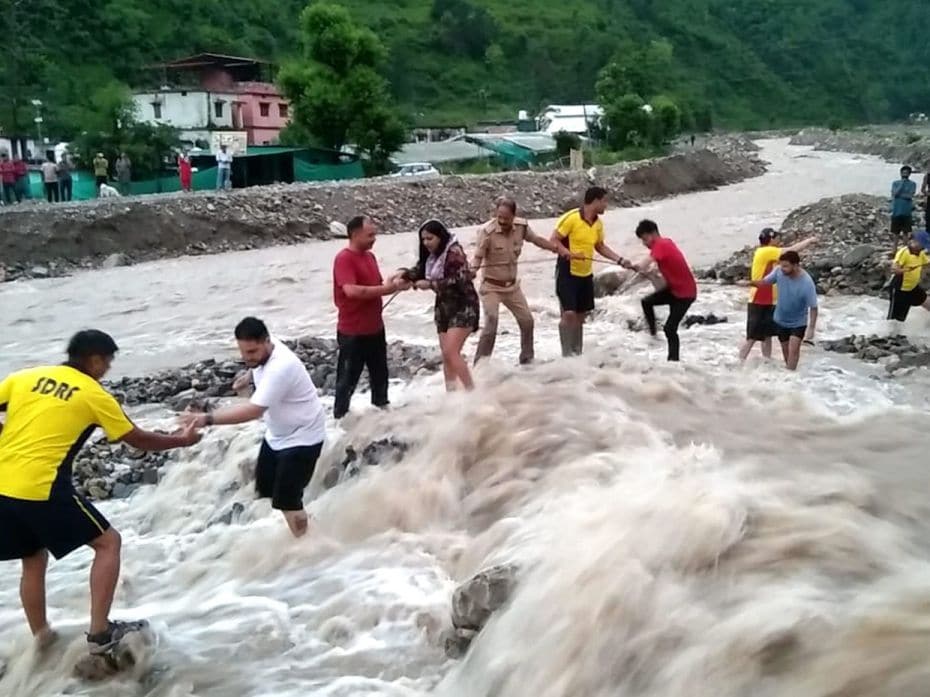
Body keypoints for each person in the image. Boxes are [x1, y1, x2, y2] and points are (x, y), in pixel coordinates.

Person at [0, 330, 201, 654]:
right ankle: (100, 633)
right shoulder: (94, 395)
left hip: (3, 485)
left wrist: (5, 436)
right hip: (44, 486)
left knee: (32, 558)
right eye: (107, 362)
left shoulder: (25, 377)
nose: (107, 369)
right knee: (109, 543)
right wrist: (182, 440)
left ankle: (42, 637)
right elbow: (137, 439)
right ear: (95, 359)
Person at [179, 318, 326, 538]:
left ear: (266, 342)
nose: (247, 358)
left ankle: (309, 543)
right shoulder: (267, 348)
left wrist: (206, 419)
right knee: (267, 488)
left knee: (287, 499)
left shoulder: (281, 367)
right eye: (244, 352)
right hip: (277, 435)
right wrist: (248, 376)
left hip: (303, 437)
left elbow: (253, 411)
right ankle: (306, 529)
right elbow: (259, 368)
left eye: (252, 352)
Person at [471, 197, 572, 365]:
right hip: (491, 287)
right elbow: (477, 257)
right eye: (499, 217)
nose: (502, 221)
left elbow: (537, 240)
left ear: (514, 215)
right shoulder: (486, 232)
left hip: (512, 287)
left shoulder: (522, 227)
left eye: (506, 218)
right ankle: (480, 366)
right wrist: (473, 270)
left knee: (527, 321)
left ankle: (527, 360)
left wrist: (557, 249)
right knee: (491, 323)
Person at [332, 215, 410, 419]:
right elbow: (351, 291)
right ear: (355, 235)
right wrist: (385, 289)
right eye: (370, 235)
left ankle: (382, 419)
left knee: (380, 377)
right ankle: (339, 422)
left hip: (375, 328)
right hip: (352, 332)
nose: (374, 239)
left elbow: (377, 285)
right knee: (347, 381)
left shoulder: (370, 257)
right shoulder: (344, 258)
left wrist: (394, 282)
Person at [402, 220, 480, 391]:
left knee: (452, 353)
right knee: (446, 355)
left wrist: (431, 285)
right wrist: (405, 275)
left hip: (464, 306)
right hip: (444, 308)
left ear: (440, 237)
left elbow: (459, 280)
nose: (426, 243)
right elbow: (420, 269)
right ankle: (451, 395)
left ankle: (472, 393)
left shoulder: (454, 252)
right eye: (423, 240)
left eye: (430, 238)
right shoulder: (431, 254)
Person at [550, 186, 624, 357]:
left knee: (580, 317)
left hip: (585, 274)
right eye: (605, 201)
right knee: (568, 314)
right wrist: (567, 253)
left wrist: (619, 260)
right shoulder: (571, 218)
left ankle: (578, 354)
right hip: (567, 272)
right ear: (596, 201)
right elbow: (553, 240)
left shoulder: (598, 224)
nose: (606, 205)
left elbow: (600, 246)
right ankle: (566, 355)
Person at [622, 219, 698, 362]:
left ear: (653, 234)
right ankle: (653, 334)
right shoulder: (665, 244)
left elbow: (646, 262)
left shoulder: (661, 244)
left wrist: (636, 266)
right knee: (647, 302)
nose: (645, 243)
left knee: (670, 328)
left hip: (685, 294)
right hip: (673, 290)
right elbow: (658, 277)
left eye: (645, 239)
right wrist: (646, 272)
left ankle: (673, 361)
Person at [739, 227, 817, 362]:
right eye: (777, 238)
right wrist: (810, 241)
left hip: (770, 301)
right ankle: (739, 362)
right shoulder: (766, 251)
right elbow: (790, 251)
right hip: (759, 300)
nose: (779, 240)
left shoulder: (767, 253)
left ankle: (767, 362)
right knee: (752, 336)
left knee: (767, 335)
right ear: (771, 239)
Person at [750, 250, 818, 370]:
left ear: (796, 265)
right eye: (781, 265)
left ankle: (791, 378)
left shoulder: (807, 283)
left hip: (798, 322)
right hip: (781, 319)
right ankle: (788, 378)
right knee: (786, 353)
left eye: (786, 266)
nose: (782, 268)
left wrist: (811, 328)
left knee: (794, 351)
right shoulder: (778, 272)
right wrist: (749, 283)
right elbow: (764, 282)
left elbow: (813, 307)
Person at [887, 234, 930, 323]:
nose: (924, 248)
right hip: (900, 289)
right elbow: (894, 269)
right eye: (923, 245)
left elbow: (927, 263)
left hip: (912, 287)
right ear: (915, 242)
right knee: (895, 319)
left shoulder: (920, 253)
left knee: (927, 303)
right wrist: (906, 269)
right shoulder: (904, 252)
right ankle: (888, 335)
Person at [891, 165, 917, 239]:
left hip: (906, 212)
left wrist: (900, 195)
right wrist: (902, 184)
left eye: (906, 173)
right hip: (896, 212)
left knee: (906, 233)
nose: (905, 175)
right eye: (903, 173)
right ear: (901, 173)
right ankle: (894, 250)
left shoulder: (912, 184)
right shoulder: (895, 183)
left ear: (909, 174)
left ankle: (905, 249)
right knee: (896, 234)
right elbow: (895, 194)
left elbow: (910, 196)